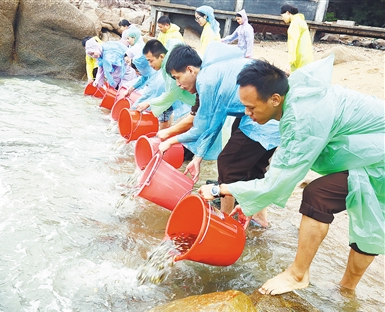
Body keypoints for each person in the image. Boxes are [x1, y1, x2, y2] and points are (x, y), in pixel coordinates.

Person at [199, 58, 384, 295]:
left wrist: (219, 189)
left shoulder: (302, 117)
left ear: (275, 99)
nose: (247, 113)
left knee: (318, 196)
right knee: (371, 217)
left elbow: (277, 181)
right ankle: (346, 292)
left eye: (252, 108)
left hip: (378, 160)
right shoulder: (297, 95)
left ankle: (297, 275)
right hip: (373, 153)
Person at [163, 43, 279, 224]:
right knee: (253, 167)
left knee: (227, 164)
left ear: (190, 69)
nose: (178, 84)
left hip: (263, 119)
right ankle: (260, 220)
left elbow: (202, 127)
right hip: (269, 119)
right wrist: (198, 157)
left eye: (178, 78)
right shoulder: (214, 72)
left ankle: (225, 223)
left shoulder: (206, 80)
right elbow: (215, 122)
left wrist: (169, 141)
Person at [135, 39, 195, 134]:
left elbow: (171, 94)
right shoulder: (167, 63)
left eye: (151, 61)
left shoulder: (171, 67)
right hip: (189, 100)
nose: (150, 65)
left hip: (196, 101)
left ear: (161, 56)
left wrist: (149, 103)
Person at [280, 4, 313, 72]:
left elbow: (293, 43)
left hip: (300, 58)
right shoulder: (301, 21)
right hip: (306, 57)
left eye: (282, 16)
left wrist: (290, 62)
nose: (282, 18)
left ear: (287, 12)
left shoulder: (295, 24)